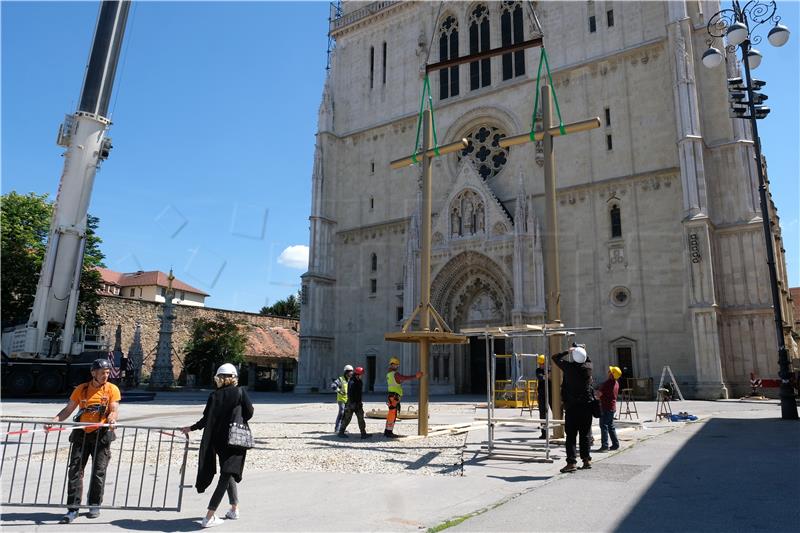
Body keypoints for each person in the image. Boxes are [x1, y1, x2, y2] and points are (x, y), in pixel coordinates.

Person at [181, 363, 254, 528]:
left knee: (227, 474)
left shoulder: (214, 395)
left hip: (218, 442)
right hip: (235, 441)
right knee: (225, 476)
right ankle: (209, 516)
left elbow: (206, 420)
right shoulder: (241, 392)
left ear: (219, 378)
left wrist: (190, 428)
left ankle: (234, 508)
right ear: (234, 377)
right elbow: (249, 413)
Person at [52, 359, 121, 524]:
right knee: (75, 470)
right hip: (81, 435)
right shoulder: (81, 389)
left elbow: (114, 409)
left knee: (99, 471)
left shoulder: (112, 389)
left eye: (107, 372)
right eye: (102, 373)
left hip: (101, 435)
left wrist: (112, 418)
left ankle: (95, 504)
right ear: (93, 373)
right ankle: (72, 508)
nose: (105, 375)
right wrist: (54, 420)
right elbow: (68, 409)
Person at [552, 344, 594, 473]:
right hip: (587, 406)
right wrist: (581, 349)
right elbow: (587, 359)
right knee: (585, 434)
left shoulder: (569, 368)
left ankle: (571, 463)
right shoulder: (588, 367)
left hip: (572, 407)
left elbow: (555, 358)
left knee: (571, 436)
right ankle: (586, 460)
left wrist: (568, 350)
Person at [384, 356, 422, 438]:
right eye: (397, 365)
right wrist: (415, 376)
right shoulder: (395, 374)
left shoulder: (389, 374)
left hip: (391, 396)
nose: (397, 367)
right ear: (393, 365)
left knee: (391, 414)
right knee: (392, 414)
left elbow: (399, 380)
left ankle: (387, 431)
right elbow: (403, 378)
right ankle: (389, 432)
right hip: (394, 397)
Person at [338, 367, 372, 439]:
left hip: (358, 403)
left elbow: (359, 394)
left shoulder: (359, 381)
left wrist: (359, 402)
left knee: (361, 418)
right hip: (351, 403)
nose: (362, 376)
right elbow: (350, 394)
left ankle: (363, 433)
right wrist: (353, 403)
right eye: (361, 374)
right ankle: (341, 432)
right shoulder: (352, 382)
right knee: (347, 418)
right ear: (357, 374)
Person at [596, 366, 621, 452]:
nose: (608, 371)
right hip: (612, 407)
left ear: (612, 374)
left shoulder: (607, 383)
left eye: (610, 371)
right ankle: (615, 444)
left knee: (604, 426)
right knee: (610, 426)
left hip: (605, 407)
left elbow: (599, 394)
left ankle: (605, 446)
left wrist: (596, 393)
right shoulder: (616, 383)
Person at [331, 365, 354, 433]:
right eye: (350, 372)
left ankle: (342, 428)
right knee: (341, 412)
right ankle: (337, 428)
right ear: (346, 372)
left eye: (352, 372)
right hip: (341, 399)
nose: (351, 373)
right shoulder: (340, 379)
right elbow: (333, 386)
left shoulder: (351, 380)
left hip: (348, 400)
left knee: (346, 414)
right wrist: (339, 391)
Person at [535, 354, 551, 439]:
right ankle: (544, 433)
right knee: (542, 413)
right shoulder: (538, 370)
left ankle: (560, 431)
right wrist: (548, 376)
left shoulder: (551, 369)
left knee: (557, 411)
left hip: (552, 394)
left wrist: (548, 376)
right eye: (540, 364)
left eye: (542, 364)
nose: (541, 365)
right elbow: (541, 377)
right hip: (542, 395)